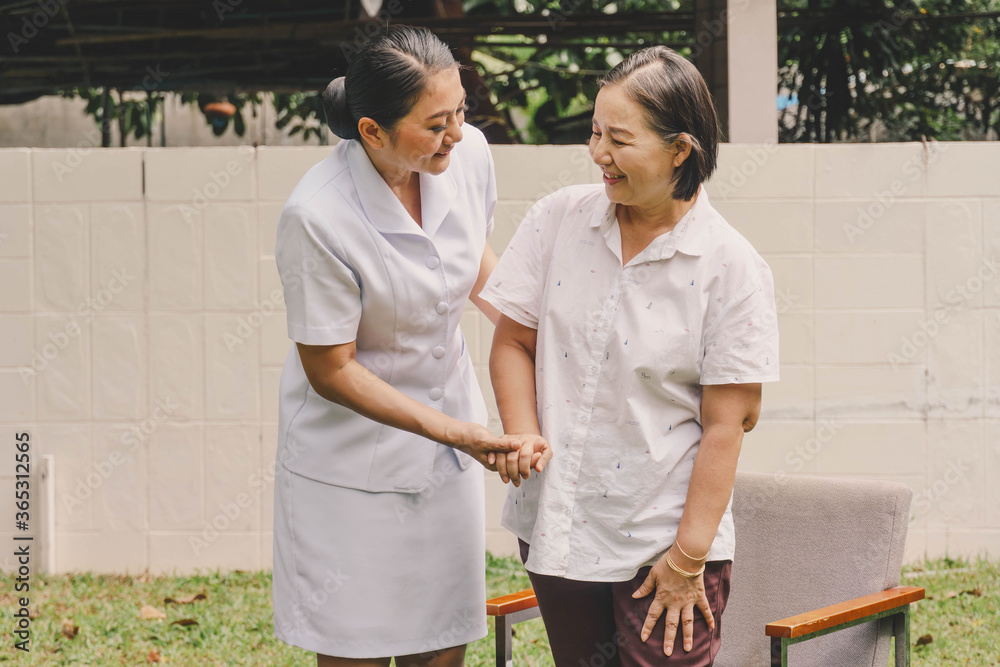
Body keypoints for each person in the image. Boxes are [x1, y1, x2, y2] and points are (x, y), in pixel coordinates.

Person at [482, 46, 779, 666]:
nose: (599, 153)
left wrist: (688, 558)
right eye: (595, 133)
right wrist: (523, 432)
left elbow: (728, 424)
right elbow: (512, 341)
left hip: (662, 543)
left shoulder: (730, 266)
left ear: (680, 150)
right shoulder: (557, 219)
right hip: (558, 521)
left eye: (619, 139)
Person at [271, 25, 549, 667]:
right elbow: (331, 369)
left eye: (460, 112)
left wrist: (538, 337)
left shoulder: (469, 156)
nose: (457, 134)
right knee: (357, 649)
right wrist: (457, 433)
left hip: (447, 458)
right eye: (435, 124)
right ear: (372, 131)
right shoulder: (317, 216)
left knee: (442, 645)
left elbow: (471, 260)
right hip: (348, 470)